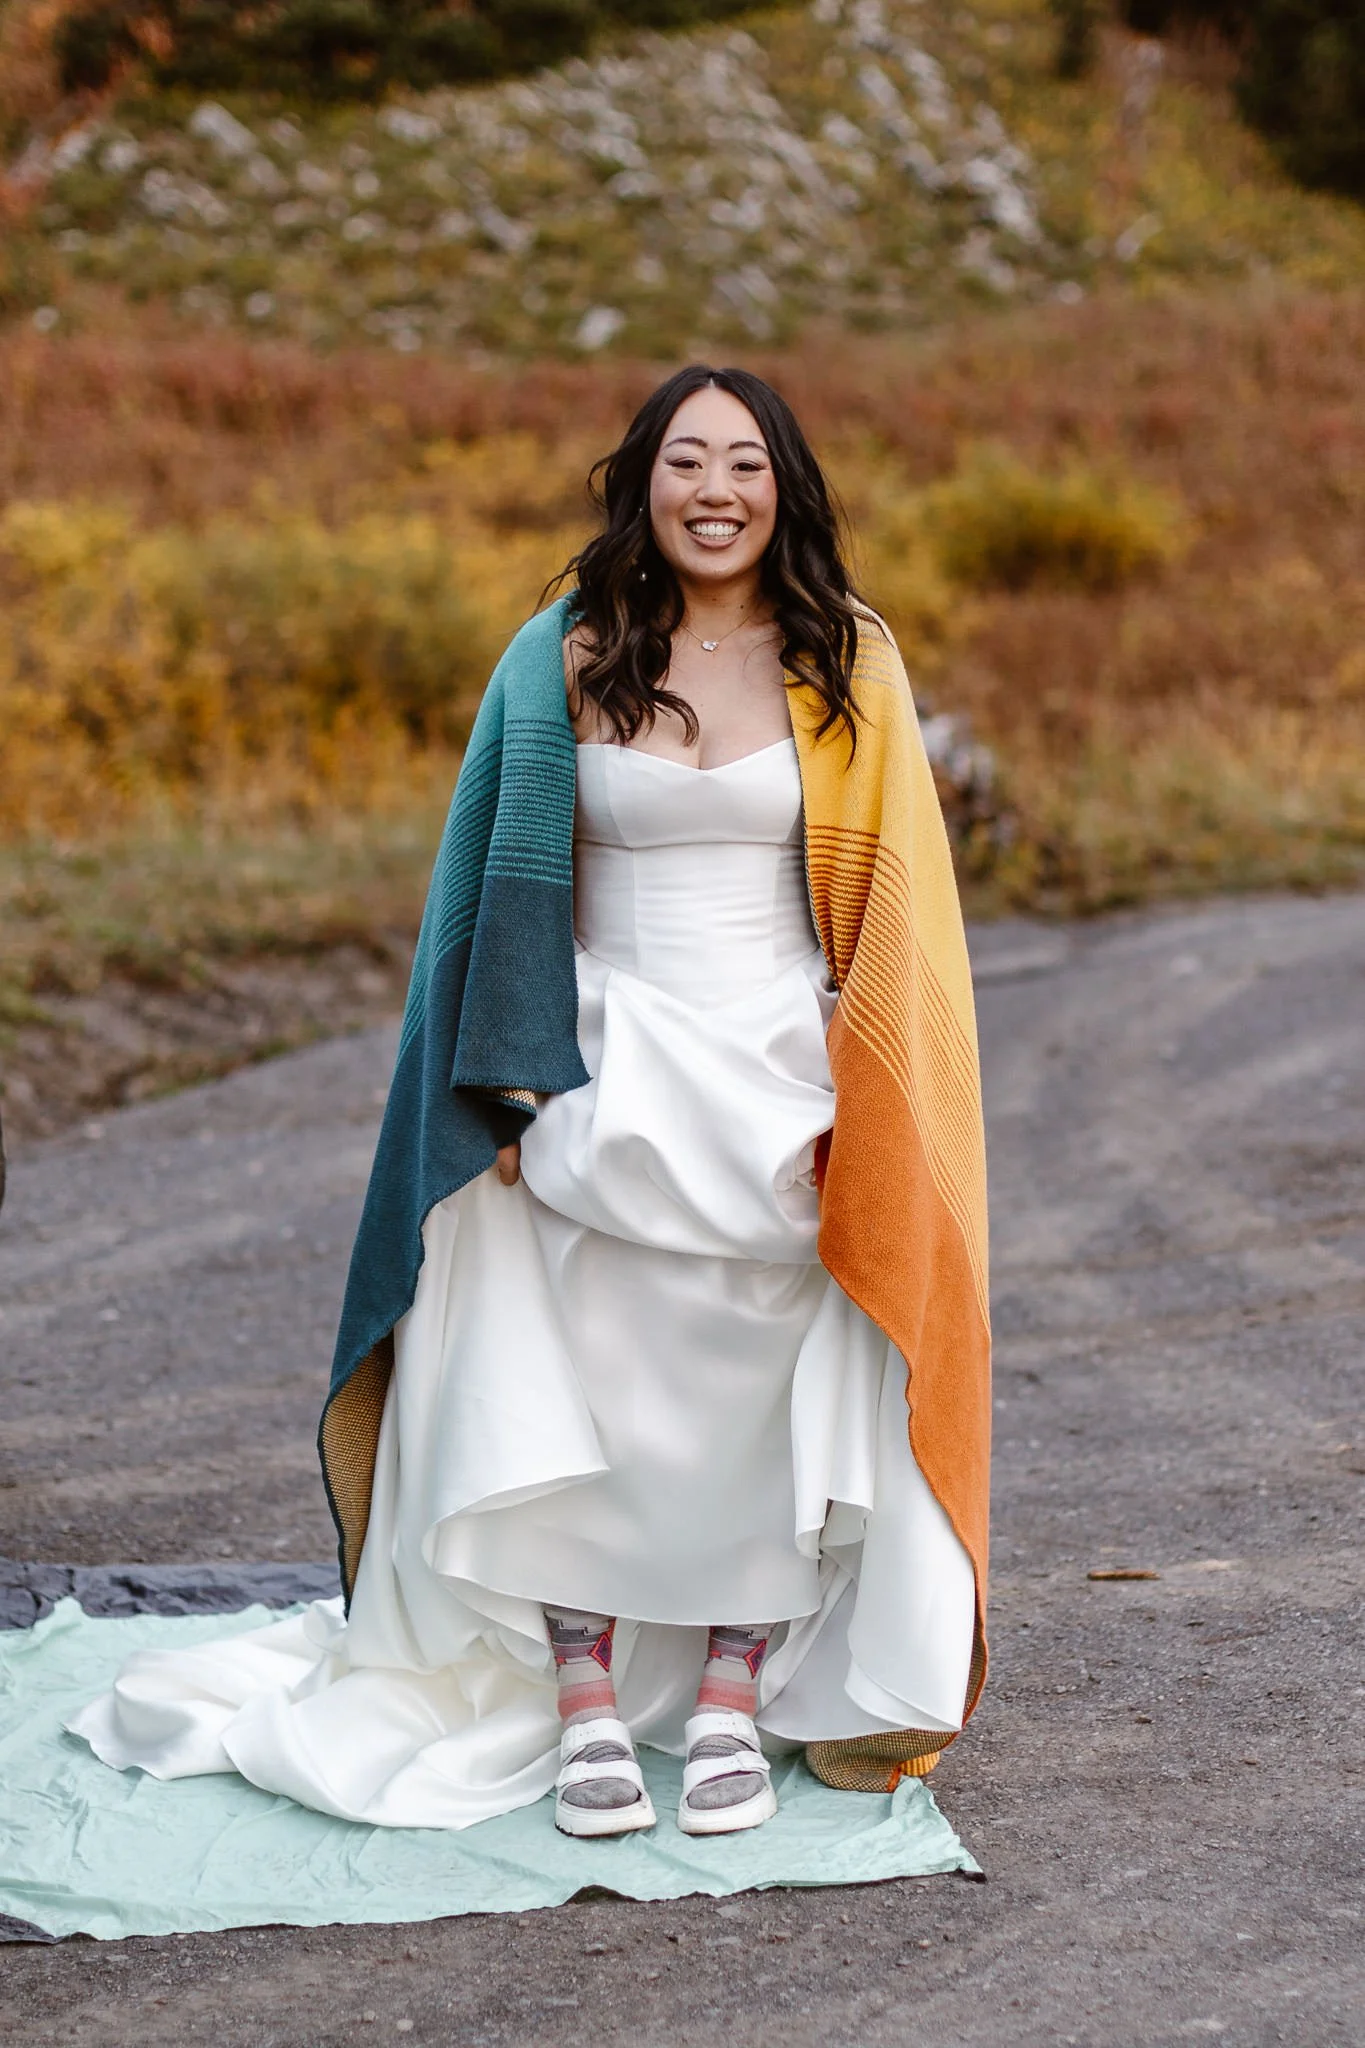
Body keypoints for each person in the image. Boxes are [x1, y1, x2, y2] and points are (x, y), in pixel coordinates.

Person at [70, 366, 991, 1841]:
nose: (714, 489)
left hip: (772, 1064)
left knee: (763, 1384)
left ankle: (731, 1697)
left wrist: (869, 1096)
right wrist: (495, 1080)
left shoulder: (848, 664)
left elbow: (898, 915)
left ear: (784, 490)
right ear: (641, 484)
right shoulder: (564, 655)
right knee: (568, 1366)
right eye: (684, 460)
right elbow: (495, 892)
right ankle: (581, 1703)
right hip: (589, 1057)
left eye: (745, 464)